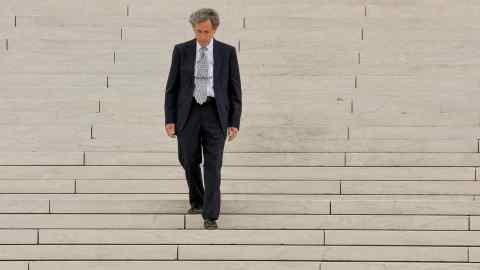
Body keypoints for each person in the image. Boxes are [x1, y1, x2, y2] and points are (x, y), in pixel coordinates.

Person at [164, 8, 242, 229]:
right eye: (198, 31)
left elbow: (235, 90)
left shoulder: (227, 53)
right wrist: (170, 119)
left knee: (213, 164)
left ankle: (210, 215)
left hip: (215, 113)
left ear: (214, 29)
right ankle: (197, 199)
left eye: (206, 32)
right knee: (188, 159)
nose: (202, 37)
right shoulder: (181, 51)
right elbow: (172, 88)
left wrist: (234, 122)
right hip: (188, 113)